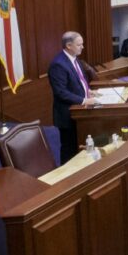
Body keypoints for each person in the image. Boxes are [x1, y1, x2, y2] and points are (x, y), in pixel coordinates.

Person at [48, 31, 98, 164]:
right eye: (79, 44)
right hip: (67, 114)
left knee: (78, 144)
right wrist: (84, 100)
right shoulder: (58, 64)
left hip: (79, 112)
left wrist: (88, 92)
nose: (82, 47)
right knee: (69, 148)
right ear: (69, 45)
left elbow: (79, 81)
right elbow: (60, 92)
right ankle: (66, 177)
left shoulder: (75, 60)